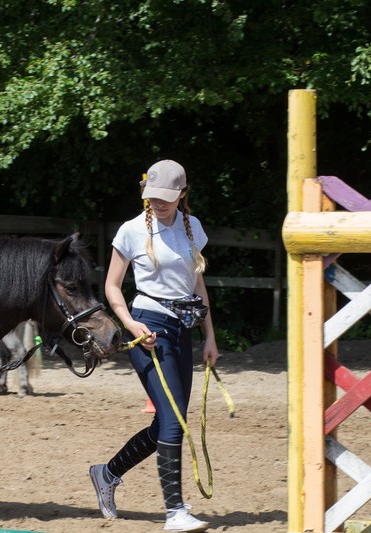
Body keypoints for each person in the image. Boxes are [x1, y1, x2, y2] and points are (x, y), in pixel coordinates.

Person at [90, 160, 219, 532]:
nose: (157, 204)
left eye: (165, 198)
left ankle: (107, 473)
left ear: (182, 194)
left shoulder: (192, 228)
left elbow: (197, 285)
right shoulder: (131, 231)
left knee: (167, 420)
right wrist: (131, 324)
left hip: (184, 329)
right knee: (174, 421)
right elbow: (112, 287)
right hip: (148, 328)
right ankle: (175, 511)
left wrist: (210, 335)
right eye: (152, 197)